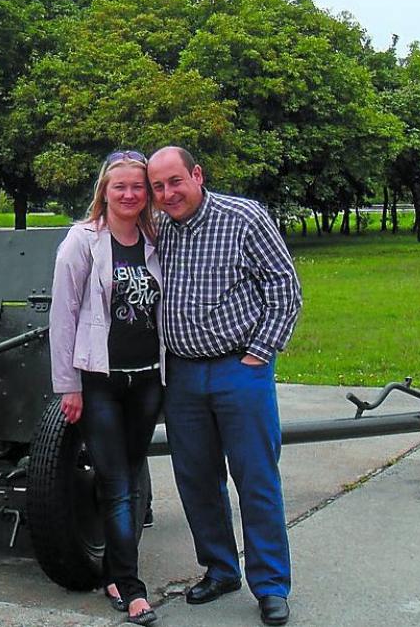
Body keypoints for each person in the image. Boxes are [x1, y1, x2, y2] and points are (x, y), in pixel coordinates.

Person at [147, 146, 302, 627]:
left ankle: (270, 585)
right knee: (196, 478)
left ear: (197, 174)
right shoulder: (158, 230)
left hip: (239, 368)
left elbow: (284, 288)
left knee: (256, 477)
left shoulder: (244, 218)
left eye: (175, 181)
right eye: (158, 186)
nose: (168, 193)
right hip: (183, 373)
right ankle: (220, 569)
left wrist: (260, 352)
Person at [49, 150, 164, 626]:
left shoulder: (155, 239)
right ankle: (132, 590)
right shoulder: (82, 241)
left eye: (138, 187)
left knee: (130, 479)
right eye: (121, 187)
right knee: (116, 483)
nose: (129, 195)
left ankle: (116, 573)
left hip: (147, 380)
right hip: (100, 381)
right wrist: (68, 385)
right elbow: (63, 315)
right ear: (105, 191)